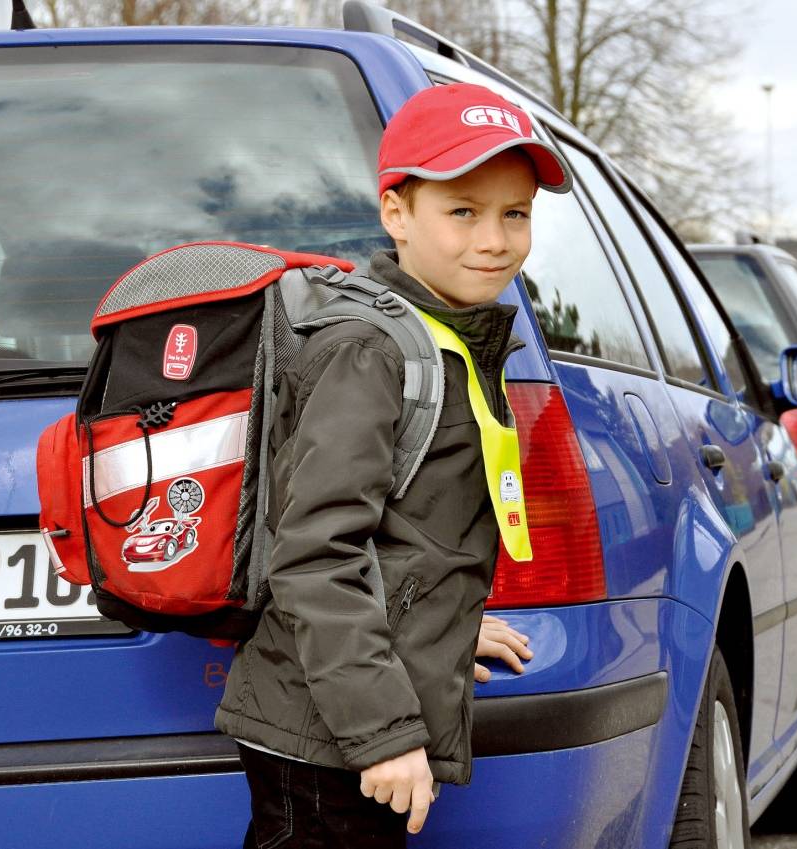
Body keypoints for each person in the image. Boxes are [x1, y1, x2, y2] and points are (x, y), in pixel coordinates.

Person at [215, 82, 573, 848]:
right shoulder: (370, 351)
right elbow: (315, 556)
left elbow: (404, 532)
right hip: (325, 739)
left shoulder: (448, 338)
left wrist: (445, 625)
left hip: (344, 716)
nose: (495, 239)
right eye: (463, 211)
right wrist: (382, 734)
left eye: (515, 213)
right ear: (396, 212)